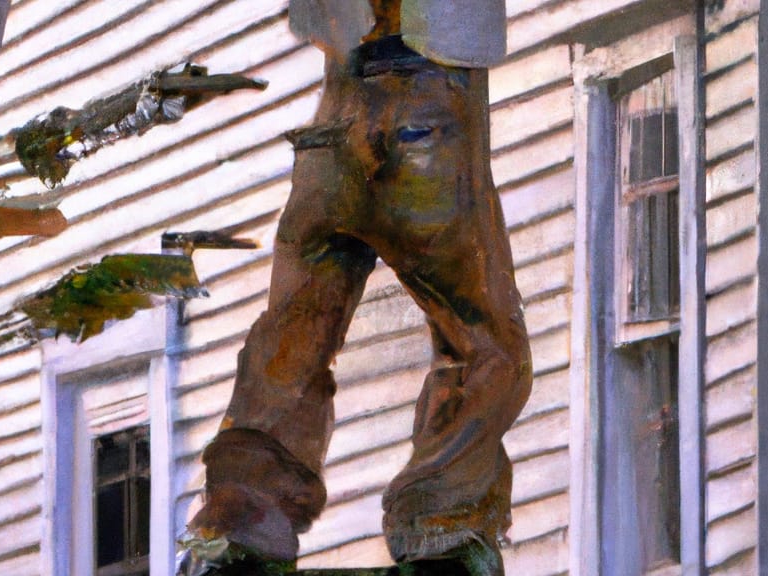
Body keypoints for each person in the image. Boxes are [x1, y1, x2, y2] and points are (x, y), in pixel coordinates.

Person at [177, 2, 531, 574]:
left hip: (337, 113)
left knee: (295, 329)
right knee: (480, 335)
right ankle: (442, 521)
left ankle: (242, 516)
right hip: (428, 100)